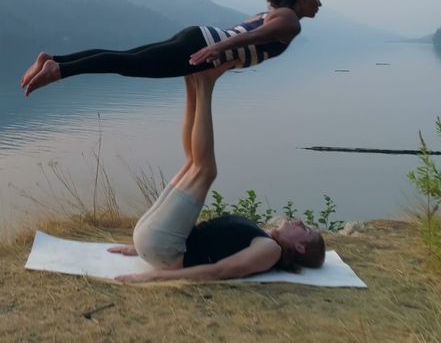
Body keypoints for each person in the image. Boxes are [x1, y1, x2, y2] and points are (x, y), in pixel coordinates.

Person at [106, 64, 325, 283]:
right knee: (194, 161)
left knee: (206, 170)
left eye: (305, 230)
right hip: (157, 243)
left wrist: (155, 276)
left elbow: (220, 271)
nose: (299, 222)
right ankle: (192, 82)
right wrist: (140, 249)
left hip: (164, 249)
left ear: (300, 248)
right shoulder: (264, 236)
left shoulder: (271, 251)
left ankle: (205, 84)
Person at [20, 0, 321, 96]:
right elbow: (251, 38)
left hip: (198, 36)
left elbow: (248, 35)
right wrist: (219, 49)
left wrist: (219, 50)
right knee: (128, 63)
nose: (319, 4)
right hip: (204, 46)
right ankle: (60, 69)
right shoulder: (291, 21)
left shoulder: (270, 12)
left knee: (127, 57)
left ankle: (55, 59)